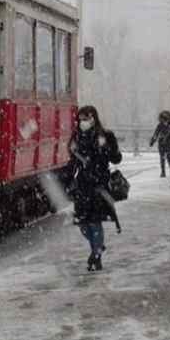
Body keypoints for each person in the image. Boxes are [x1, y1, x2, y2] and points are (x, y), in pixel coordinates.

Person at [62, 106, 123, 272]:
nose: (83, 122)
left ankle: (96, 255)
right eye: (80, 119)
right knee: (83, 224)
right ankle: (98, 247)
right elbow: (73, 162)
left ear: (94, 118)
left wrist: (107, 147)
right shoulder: (76, 137)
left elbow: (117, 159)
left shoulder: (105, 136)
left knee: (95, 222)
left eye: (86, 118)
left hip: (99, 185)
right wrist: (66, 180)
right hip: (82, 186)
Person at [148, 110, 170, 177]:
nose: (163, 120)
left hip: (169, 144)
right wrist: (152, 141)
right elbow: (156, 134)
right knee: (162, 158)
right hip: (162, 143)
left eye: (164, 118)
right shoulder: (160, 125)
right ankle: (163, 172)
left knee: (169, 157)